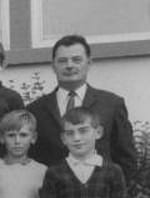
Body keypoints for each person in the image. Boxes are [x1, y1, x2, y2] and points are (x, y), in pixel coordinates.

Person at [27, 34, 136, 178]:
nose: (69, 65)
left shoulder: (111, 104)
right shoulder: (35, 110)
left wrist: (113, 189)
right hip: (52, 189)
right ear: (53, 66)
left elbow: (126, 159)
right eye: (62, 61)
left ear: (89, 63)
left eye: (76, 60)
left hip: (99, 190)